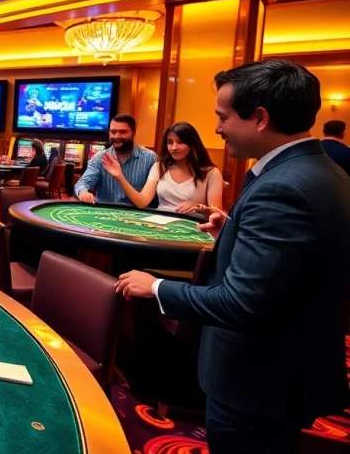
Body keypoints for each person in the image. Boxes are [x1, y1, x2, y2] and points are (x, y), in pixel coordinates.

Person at [116, 59, 350, 454]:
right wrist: (234, 231)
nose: (217, 129)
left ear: (259, 118)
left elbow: (241, 303)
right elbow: (296, 267)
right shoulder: (317, 170)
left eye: (222, 117)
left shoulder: (284, 188)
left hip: (259, 379)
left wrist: (154, 286)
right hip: (290, 364)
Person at [103, 121, 223, 214]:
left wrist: (200, 208)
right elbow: (142, 202)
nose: (174, 147)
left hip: (193, 225)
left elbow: (216, 213)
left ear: (193, 144)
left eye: (180, 142)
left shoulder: (211, 173)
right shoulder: (159, 167)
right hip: (160, 223)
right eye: (170, 142)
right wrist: (120, 176)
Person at [74, 114, 157, 205]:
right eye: (113, 132)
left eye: (123, 132)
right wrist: (83, 192)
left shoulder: (149, 158)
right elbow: (82, 183)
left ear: (133, 133)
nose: (116, 136)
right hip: (105, 212)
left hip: (136, 214)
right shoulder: (99, 157)